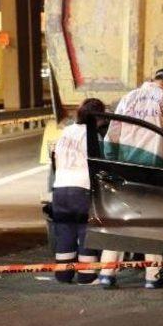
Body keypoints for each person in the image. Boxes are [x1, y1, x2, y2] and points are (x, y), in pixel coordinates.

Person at [98, 68, 163, 289]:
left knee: (120, 221)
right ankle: (153, 277)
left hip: (126, 167)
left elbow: (112, 135)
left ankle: (107, 274)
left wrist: (114, 164)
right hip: (156, 168)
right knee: (153, 223)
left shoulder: (128, 98)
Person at [51, 98, 105, 284]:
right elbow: (98, 165)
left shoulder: (66, 132)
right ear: (98, 117)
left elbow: (55, 158)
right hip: (81, 189)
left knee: (65, 231)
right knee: (86, 232)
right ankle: (86, 276)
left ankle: (63, 274)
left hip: (60, 188)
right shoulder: (92, 136)